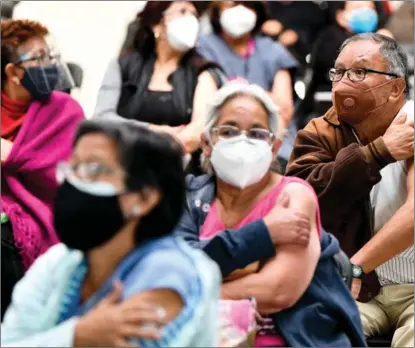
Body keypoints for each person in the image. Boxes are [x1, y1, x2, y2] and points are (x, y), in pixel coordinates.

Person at [174, 82, 367, 347]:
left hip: (295, 339)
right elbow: (178, 270)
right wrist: (263, 235)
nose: (242, 141)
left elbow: (277, 291)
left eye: (256, 134)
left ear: (274, 147)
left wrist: (192, 292)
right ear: (207, 144)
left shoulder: (293, 196)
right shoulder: (188, 196)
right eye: (228, 131)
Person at [1, 120, 221, 347]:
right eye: (72, 168)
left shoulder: (171, 272)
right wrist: (76, 336)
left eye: (93, 169)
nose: (74, 182)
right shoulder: (61, 261)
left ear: (144, 198)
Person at [286, 33, 414, 347]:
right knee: (306, 331)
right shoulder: (318, 132)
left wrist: (355, 266)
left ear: (395, 87)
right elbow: (306, 206)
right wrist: (378, 152)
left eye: (359, 71)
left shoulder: (411, 123)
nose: (344, 82)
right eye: (338, 72)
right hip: (356, 290)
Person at [1, 19, 84, 319]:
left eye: (50, 55)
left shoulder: (64, 110)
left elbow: (61, 174)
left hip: (40, 214)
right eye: (38, 58)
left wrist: (13, 154)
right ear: (12, 72)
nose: (49, 64)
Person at [94, 1, 225, 175]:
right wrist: (153, 130)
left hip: (177, 173)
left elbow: (198, 131)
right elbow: (101, 118)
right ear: (157, 25)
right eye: (182, 12)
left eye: (194, 15)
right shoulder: (123, 65)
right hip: (119, 164)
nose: (191, 20)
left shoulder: (204, 71)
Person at [297, 1, 393, 129]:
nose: (365, 12)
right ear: (341, 16)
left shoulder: (383, 39)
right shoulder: (330, 39)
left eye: (370, 8)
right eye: (358, 8)